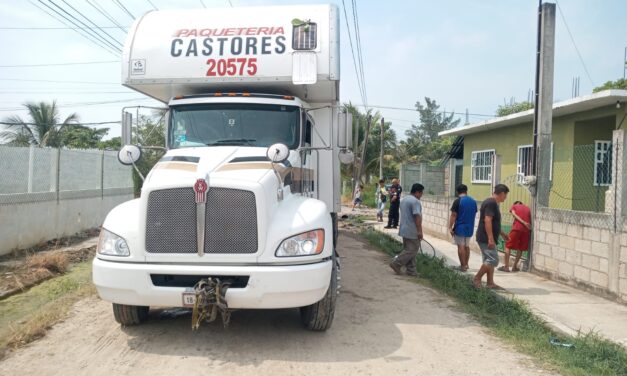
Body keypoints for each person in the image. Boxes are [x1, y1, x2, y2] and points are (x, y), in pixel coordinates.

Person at [473, 184, 509, 289]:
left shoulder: (492, 203)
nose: (505, 198)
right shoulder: (491, 203)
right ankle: (477, 278)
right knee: (493, 259)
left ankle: (490, 283)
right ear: (502, 193)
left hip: (487, 236)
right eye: (505, 195)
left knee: (488, 260)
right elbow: (487, 220)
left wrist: (502, 234)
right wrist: (490, 238)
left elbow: (494, 222)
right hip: (485, 237)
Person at [390, 183, 424, 277]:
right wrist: (420, 231)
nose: (421, 195)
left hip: (404, 228)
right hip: (412, 230)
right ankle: (396, 263)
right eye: (421, 193)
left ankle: (411, 271)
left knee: (409, 250)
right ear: (417, 192)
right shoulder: (415, 202)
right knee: (412, 251)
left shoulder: (404, 199)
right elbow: (417, 217)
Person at [448, 184, 477, 272]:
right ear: (466, 191)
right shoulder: (473, 201)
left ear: (457, 192)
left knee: (461, 246)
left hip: (460, 227)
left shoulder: (458, 201)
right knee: (467, 246)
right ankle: (466, 264)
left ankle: (462, 266)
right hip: (470, 227)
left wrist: (450, 227)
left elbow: (453, 215)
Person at [498, 201, 532, 272]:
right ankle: (514, 267)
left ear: (516, 204)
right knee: (521, 248)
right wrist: (526, 224)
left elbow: (514, 214)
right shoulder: (528, 208)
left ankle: (506, 267)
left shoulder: (514, 206)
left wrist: (523, 222)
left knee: (508, 245)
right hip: (526, 230)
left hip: (517, 228)